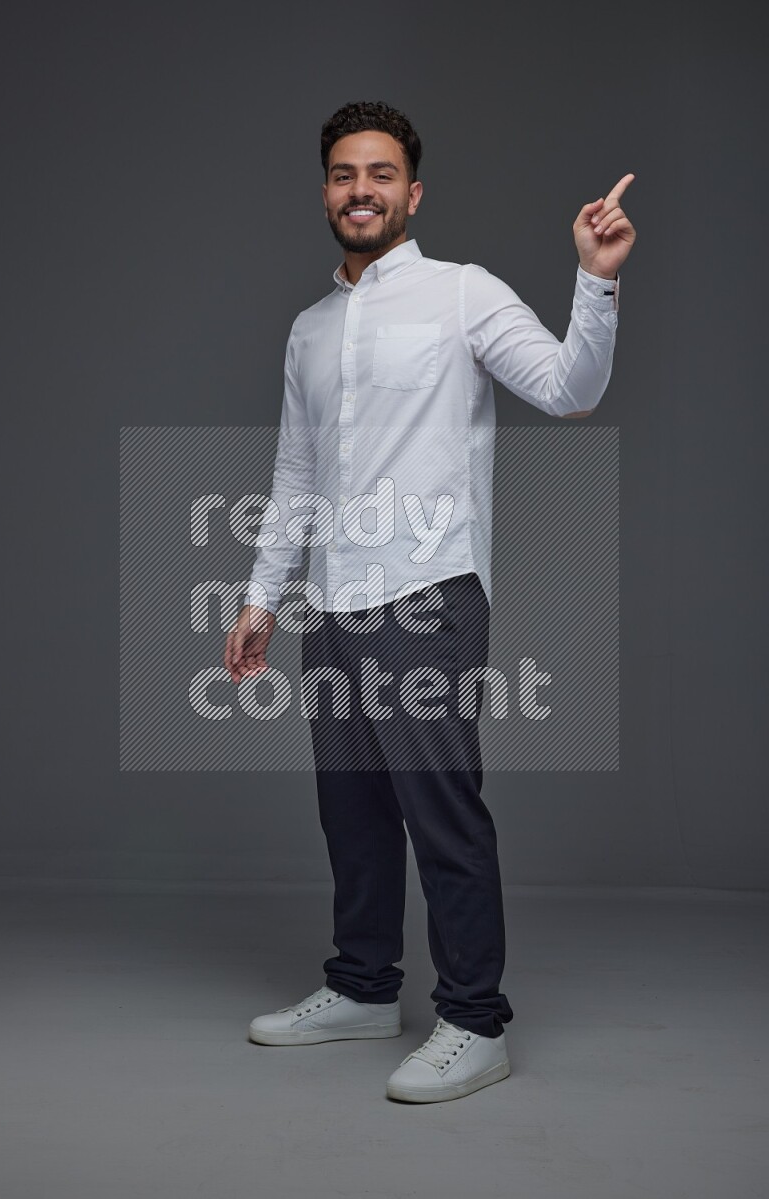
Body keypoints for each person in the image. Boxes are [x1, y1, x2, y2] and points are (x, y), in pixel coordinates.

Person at [225, 100, 636, 1104]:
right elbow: (293, 472)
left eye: (378, 173)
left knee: (439, 811)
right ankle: (363, 985)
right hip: (334, 602)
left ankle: (474, 1018)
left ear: (412, 191)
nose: (357, 189)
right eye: (340, 173)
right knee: (352, 813)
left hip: (428, 596)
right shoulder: (309, 330)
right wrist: (260, 597)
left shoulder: (460, 295)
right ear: (325, 190)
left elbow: (566, 387)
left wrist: (593, 280)